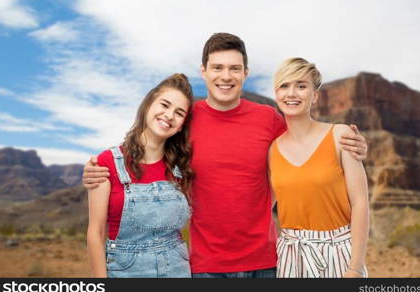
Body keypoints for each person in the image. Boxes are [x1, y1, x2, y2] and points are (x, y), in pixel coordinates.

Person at [83, 33, 368, 278]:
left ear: (245, 73)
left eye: (235, 68)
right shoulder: (185, 119)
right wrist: (99, 168)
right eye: (217, 67)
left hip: (266, 263)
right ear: (203, 71)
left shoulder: (269, 119)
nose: (226, 76)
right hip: (206, 265)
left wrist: (354, 145)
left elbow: (307, 145)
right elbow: (150, 151)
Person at [86, 73, 194, 278]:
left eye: (179, 113)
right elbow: (95, 233)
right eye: (164, 105)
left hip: (178, 270)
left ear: (181, 126)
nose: (169, 115)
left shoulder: (182, 167)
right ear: (148, 105)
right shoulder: (107, 162)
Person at [270, 57, 369, 278]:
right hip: (290, 255)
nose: (292, 93)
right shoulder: (272, 149)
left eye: (301, 86)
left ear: (315, 96)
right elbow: (264, 204)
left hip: (339, 253)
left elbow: (361, 203)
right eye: (284, 86)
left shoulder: (340, 135)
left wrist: (356, 267)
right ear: (277, 94)